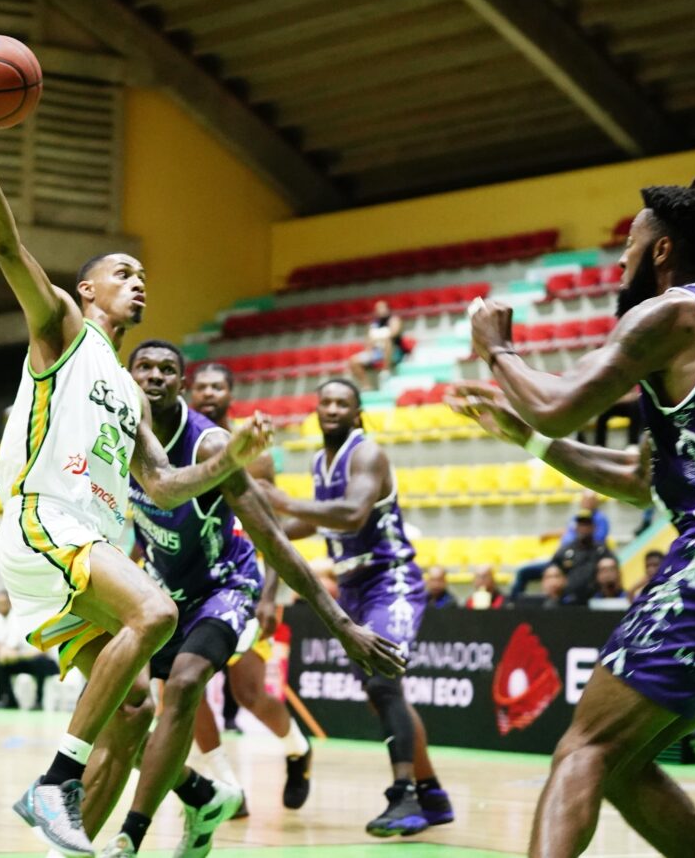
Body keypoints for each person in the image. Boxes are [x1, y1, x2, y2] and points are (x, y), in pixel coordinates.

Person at [0, 59, 276, 857]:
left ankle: (151, 809)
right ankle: (54, 780)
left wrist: (232, 456)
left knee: (132, 711)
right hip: (42, 522)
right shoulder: (60, 328)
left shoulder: (129, 394)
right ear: (87, 290)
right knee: (158, 613)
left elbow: (163, 482)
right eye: (124, 274)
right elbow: (0, 239)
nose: (139, 284)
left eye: (143, 277)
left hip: (85, 542)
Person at [449, 180, 695, 857]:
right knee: (621, 764)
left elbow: (560, 403)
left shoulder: (668, 315)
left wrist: (497, 349)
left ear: (659, 249)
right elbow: (633, 481)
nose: (617, 261)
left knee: (583, 749)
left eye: (626, 245)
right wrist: (527, 440)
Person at [88, 343, 402, 858]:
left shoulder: (213, 446)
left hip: (226, 587)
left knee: (198, 684)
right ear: (127, 378)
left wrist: (342, 625)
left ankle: (132, 836)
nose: (155, 377)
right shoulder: (114, 440)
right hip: (163, 589)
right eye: (143, 367)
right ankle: (204, 793)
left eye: (168, 369)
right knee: (125, 713)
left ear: (182, 386)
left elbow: (275, 540)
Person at [264, 378, 454, 838]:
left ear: (357, 412)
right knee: (379, 693)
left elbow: (350, 514)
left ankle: (405, 797)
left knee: (383, 683)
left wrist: (283, 503)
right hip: (351, 587)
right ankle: (432, 795)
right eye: (325, 401)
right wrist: (268, 538)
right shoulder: (319, 462)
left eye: (342, 402)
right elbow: (305, 525)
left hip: (390, 580)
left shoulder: (366, 454)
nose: (331, 408)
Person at [187, 362, 314, 819]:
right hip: (192, 583)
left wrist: (271, 595)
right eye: (200, 386)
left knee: (250, 694)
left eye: (217, 386)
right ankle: (227, 785)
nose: (207, 392)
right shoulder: (178, 445)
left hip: (244, 583)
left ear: (230, 393)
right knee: (187, 685)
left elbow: (272, 529)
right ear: (189, 391)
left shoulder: (254, 454)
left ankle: (298, 750)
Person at [552, 510, 615, 605]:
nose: (584, 529)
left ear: (594, 528)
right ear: (576, 528)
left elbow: (615, 569)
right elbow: (553, 566)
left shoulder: (602, 550)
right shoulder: (566, 550)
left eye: (587, 525)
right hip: (569, 598)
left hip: (597, 598)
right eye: (581, 525)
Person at [348, 300, 405, 390]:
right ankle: (366, 386)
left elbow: (394, 333)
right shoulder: (373, 324)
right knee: (353, 360)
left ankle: (386, 371)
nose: (381, 310)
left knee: (387, 342)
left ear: (388, 309)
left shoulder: (394, 320)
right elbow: (368, 340)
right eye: (378, 308)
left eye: (383, 308)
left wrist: (378, 338)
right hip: (377, 353)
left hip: (395, 352)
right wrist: (369, 349)